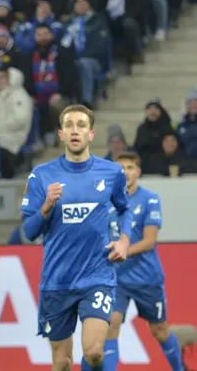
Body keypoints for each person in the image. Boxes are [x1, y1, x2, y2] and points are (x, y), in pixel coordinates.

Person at [21, 104, 132, 371]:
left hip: (97, 276)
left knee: (94, 352)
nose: (75, 130)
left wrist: (124, 241)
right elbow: (29, 231)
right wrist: (46, 207)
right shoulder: (42, 175)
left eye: (81, 125)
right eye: (69, 125)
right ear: (60, 134)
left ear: (91, 134)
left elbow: (125, 209)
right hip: (57, 281)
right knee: (62, 361)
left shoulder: (111, 173)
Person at [103, 152, 183, 371]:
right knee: (111, 326)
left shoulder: (150, 198)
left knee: (159, 330)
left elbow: (149, 241)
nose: (126, 172)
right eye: (121, 168)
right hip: (116, 278)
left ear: (137, 172)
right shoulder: (105, 201)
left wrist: (122, 251)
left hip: (146, 277)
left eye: (130, 168)